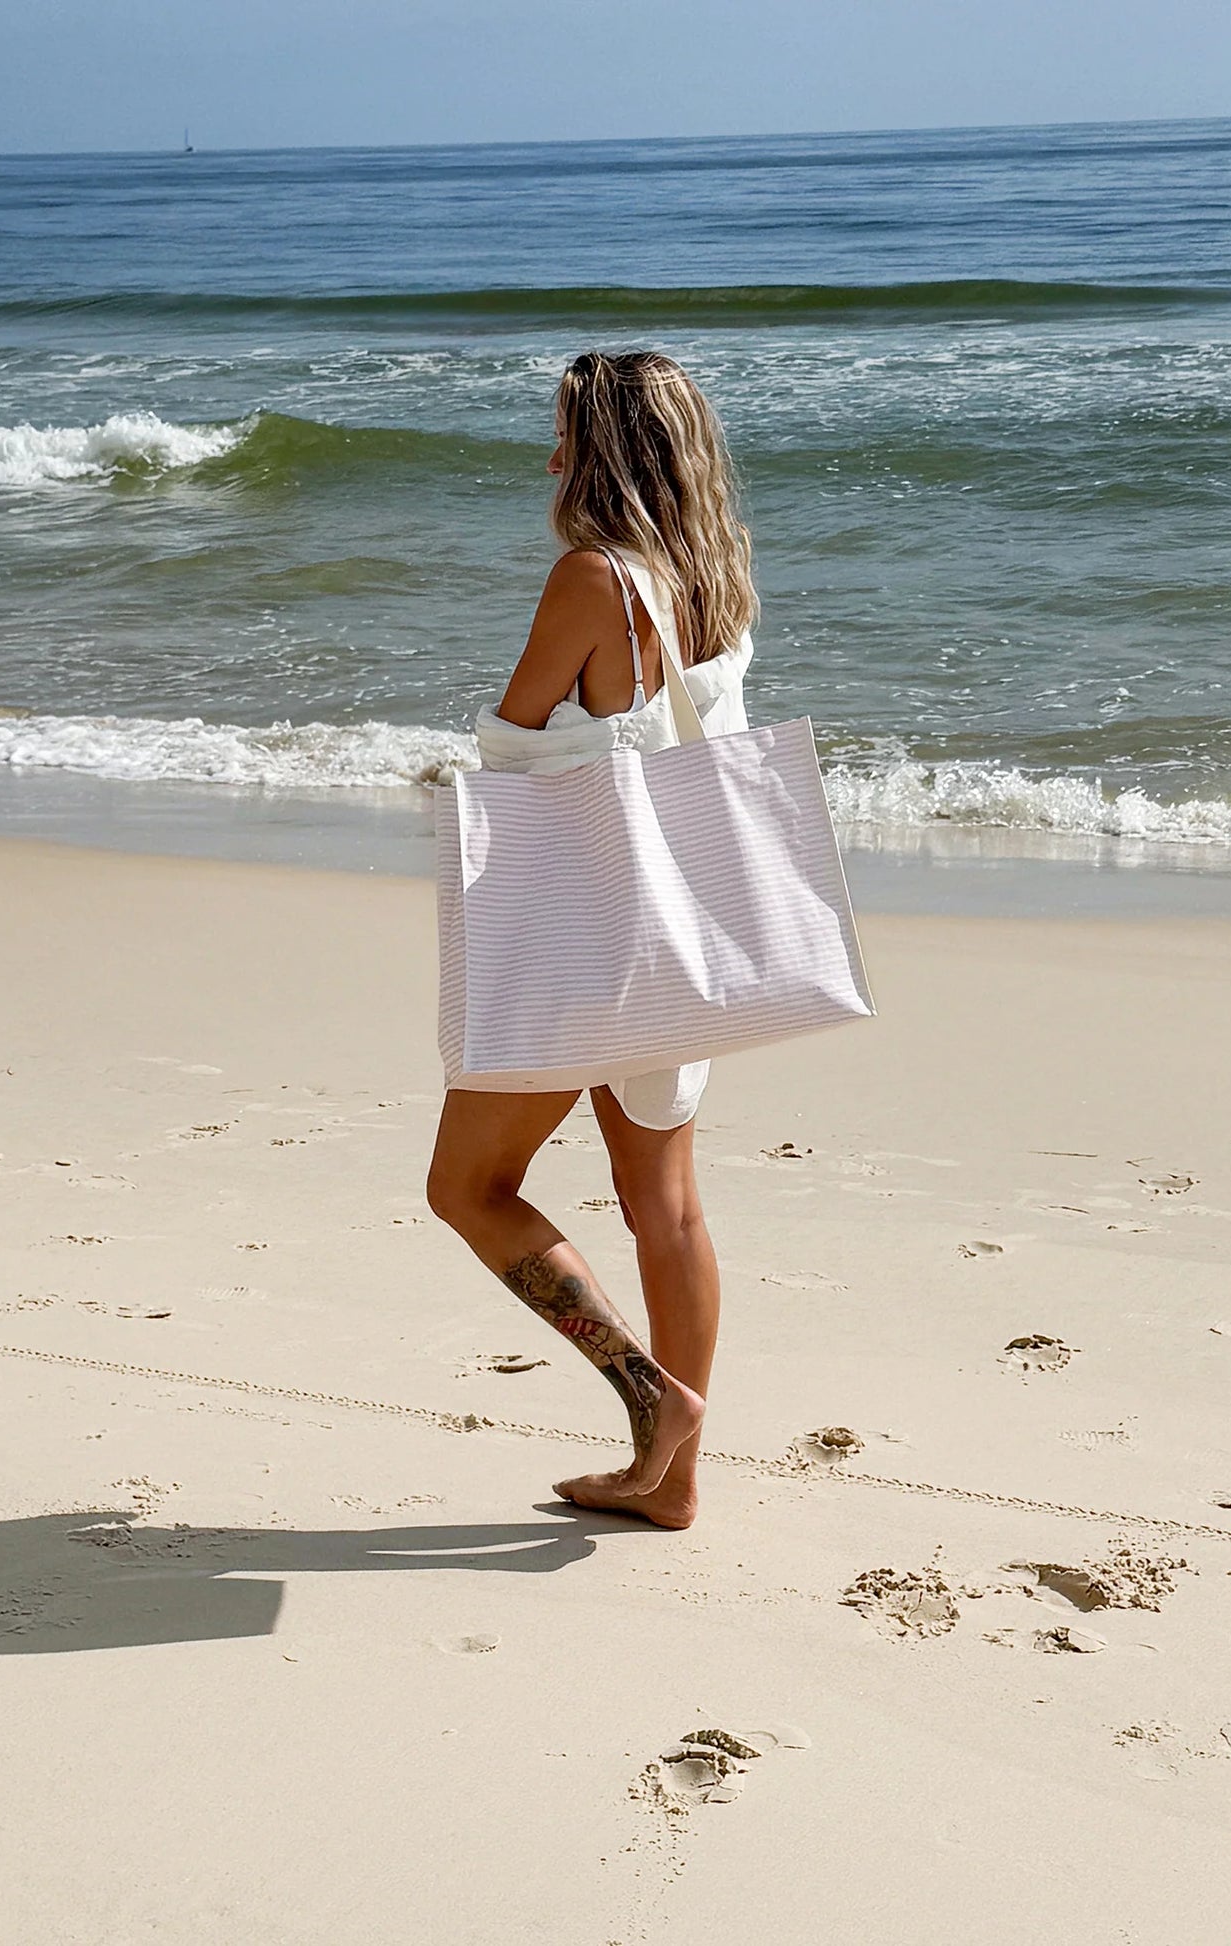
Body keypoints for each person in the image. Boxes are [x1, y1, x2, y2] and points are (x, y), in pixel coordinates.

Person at [425, 349, 758, 1530]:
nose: (550, 453)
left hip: (588, 930)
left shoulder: (593, 577)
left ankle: (644, 1393)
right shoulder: (712, 575)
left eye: (565, 432)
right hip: (684, 929)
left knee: (465, 1184)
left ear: (608, 448)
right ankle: (674, 1486)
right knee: (664, 1204)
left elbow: (516, 737)